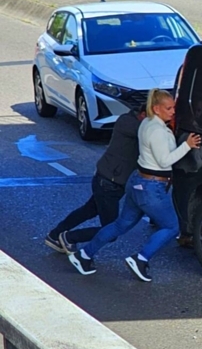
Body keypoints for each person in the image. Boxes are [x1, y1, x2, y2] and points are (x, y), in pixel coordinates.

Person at [68, 89, 201, 282]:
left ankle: (84, 255)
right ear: (156, 109)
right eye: (169, 108)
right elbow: (165, 161)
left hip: (137, 181)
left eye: (174, 107)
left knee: (120, 224)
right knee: (172, 226)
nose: (173, 111)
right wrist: (187, 145)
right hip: (151, 187)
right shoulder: (157, 131)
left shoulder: (147, 123)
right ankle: (141, 259)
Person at [45, 108, 145, 254]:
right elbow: (147, 133)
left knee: (89, 210)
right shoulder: (130, 123)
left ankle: (55, 235)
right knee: (112, 230)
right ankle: (69, 237)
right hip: (109, 182)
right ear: (144, 113)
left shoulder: (131, 121)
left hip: (109, 179)